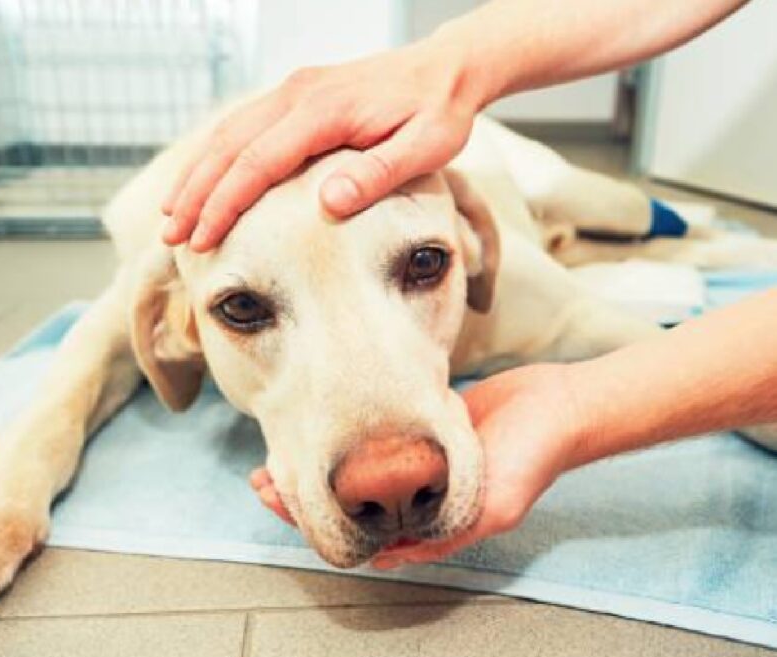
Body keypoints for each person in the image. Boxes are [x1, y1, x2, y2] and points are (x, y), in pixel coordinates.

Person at [160, 0, 777, 567]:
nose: (390, 475)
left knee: (606, 207)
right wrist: (453, 64)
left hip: (510, 182)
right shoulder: (173, 260)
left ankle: (666, 223)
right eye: (246, 308)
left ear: (475, 249)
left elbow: (612, 332)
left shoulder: (480, 237)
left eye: (422, 266)